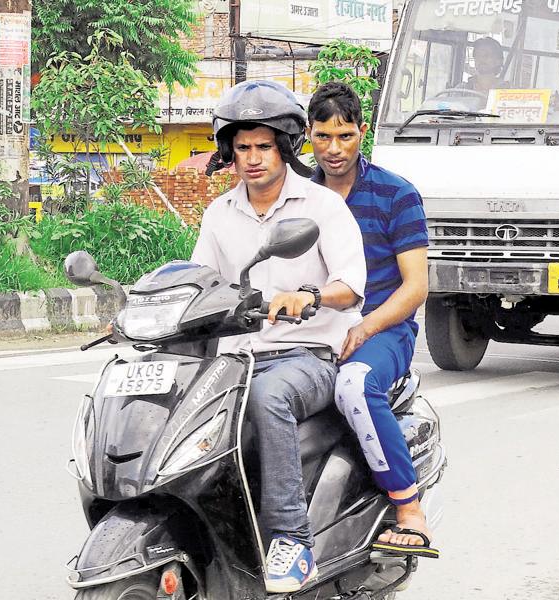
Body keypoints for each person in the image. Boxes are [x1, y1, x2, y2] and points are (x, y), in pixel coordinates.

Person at [190, 80, 366, 593]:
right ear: (230, 151)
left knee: (268, 397)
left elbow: (350, 286)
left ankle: (292, 538)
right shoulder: (219, 214)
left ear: (285, 147)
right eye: (243, 147)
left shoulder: (322, 206)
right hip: (237, 358)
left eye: (264, 146)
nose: (253, 158)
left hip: (307, 356)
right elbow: (200, 282)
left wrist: (308, 295)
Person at [306, 82, 437, 558]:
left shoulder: (396, 194)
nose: (334, 149)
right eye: (323, 136)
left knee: (354, 386)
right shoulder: (300, 197)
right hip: (314, 328)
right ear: (308, 135)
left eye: (345, 136)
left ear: (363, 132)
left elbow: (415, 287)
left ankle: (409, 508)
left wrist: (365, 327)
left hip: (384, 330)